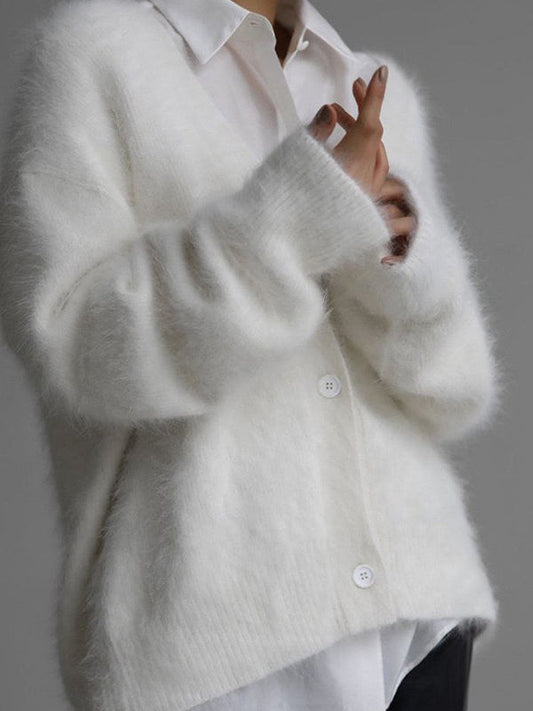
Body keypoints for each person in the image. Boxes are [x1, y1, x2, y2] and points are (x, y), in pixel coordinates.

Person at [0, 0, 501, 710]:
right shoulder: (94, 55)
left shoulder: (362, 79)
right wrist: (294, 218)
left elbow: (456, 386)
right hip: (225, 635)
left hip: (419, 609)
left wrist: (394, 250)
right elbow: (76, 349)